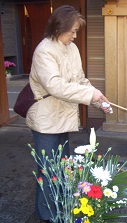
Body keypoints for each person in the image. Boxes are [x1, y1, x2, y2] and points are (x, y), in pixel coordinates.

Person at [26, 5, 111, 223]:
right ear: (58, 27)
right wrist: (89, 93)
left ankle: (61, 207)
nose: (75, 35)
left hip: (64, 117)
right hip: (46, 118)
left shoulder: (71, 49)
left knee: (62, 167)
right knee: (48, 170)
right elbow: (55, 86)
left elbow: (80, 80)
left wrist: (98, 98)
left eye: (76, 31)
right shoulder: (44, 51)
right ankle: (47, 215)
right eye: (72, 31)